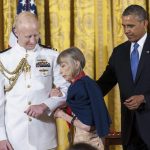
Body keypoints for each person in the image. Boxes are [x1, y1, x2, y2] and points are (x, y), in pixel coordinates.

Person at [0, 12, 69, 150]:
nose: (33, 41)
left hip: (44, 137)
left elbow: (67, 89)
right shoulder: (3, 59)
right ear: (16, 32)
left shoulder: (52, 56)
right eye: (28, 36)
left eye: (36, 35)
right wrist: (1, 137)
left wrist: (45, 105)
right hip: (14, 138)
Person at [97, 4, 150, 150]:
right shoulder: (119, 52)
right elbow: (103, 84)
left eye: (131, 26)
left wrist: (144, 98)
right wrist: (77, 91)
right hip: (130, 131)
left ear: (145, 23)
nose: (126, 30)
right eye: (124, 26)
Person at [51, 47, 111, 150]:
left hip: (87, 142)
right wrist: (61, 95)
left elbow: (87, 126)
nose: (60, 71)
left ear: (77, 64)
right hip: (98, 140)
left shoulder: (78, 87)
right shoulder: (88, 82)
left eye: (63, 66)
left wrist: (61, 114)